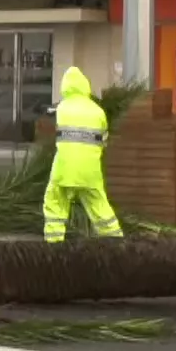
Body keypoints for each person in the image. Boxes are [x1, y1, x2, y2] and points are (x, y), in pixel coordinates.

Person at [43, 66, 122, 243]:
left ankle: (54, 244)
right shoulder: (98, 111)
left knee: (55, 202)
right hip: (90, 171)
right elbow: (104, 141)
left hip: (64, 169)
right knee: (100, 207)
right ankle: (117, 243)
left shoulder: (62, 108)